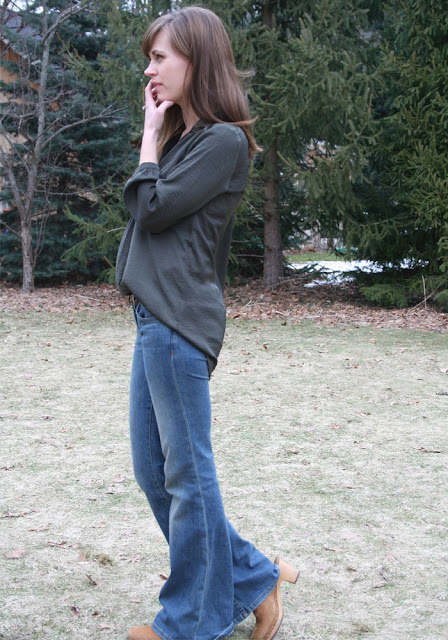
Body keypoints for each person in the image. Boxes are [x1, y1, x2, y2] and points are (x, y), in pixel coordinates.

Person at [115, 7, 298, 640]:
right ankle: (253, 576)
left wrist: (148, 132)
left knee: (188, 477)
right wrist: (158, 136)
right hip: (154, 318)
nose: (150, 70)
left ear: (197, 60)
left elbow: (151, 209)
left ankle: (188, 624)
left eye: (160, 57)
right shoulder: (186, 141)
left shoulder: (222, 141)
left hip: (178, 322)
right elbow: (149, 210)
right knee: (156, 472)